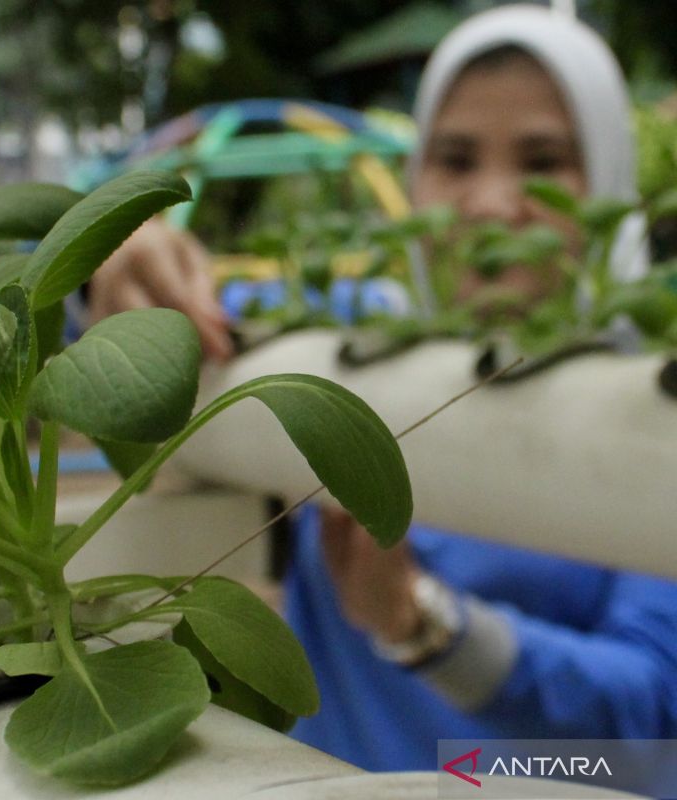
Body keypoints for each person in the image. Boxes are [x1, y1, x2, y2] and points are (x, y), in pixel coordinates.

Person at [89, 4, 677, 771]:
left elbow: (651, 716)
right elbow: (163, 339)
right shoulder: (350, 341)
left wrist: (423, 624)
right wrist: (133, 261)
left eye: (543, 162)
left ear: (608, 183)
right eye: (457, 160)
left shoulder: (651, 398)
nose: (492, 205)